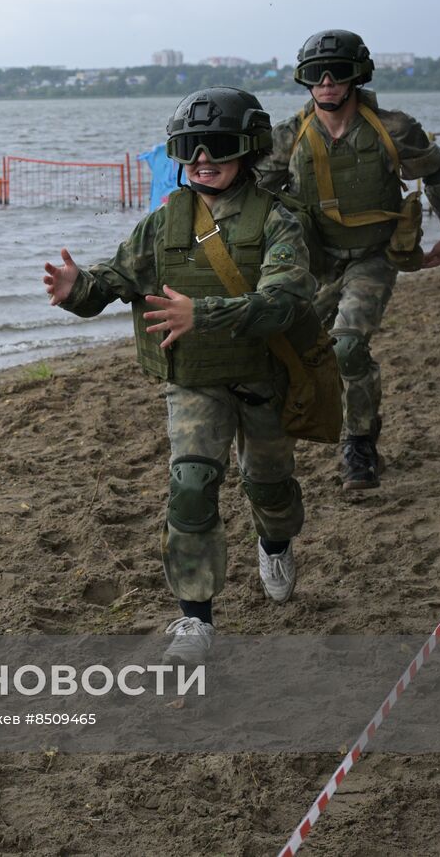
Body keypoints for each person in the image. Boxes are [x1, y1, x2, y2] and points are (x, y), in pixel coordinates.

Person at [44, 87, 317, 665]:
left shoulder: (278, 219)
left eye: (216, 147)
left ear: (246, 149)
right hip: (194, 380)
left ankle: (275, 544)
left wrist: (205, 313)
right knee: (191, 486)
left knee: (269, 487)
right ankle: (196, 619)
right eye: (190, 149)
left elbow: (284, 299)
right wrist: (78, 290)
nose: (202, 160)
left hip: (263, 376)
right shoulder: (165, 220)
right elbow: (117, 277)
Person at [256, 29, 440, 490]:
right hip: (315, 261)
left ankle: (360, 444)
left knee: (347, 346)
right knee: (280, 347)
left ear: (357, 76)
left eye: (338, 72)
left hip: (374, 256)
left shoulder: (392, 130)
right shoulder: (289, 138)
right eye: (316, 74)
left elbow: (435, 169)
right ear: (304, 81)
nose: (327, 82)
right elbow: (252, 196)